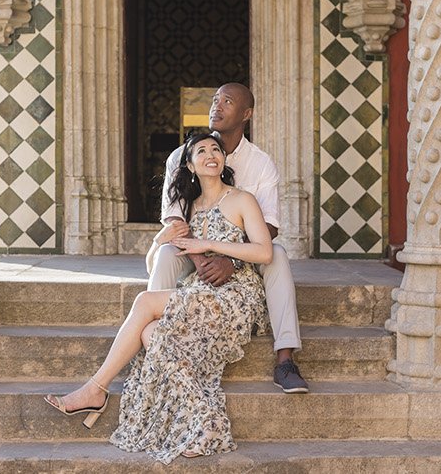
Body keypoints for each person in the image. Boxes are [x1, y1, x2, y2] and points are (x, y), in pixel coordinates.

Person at [47, 132, 272, 461]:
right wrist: (159, 240)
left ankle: (95, 388)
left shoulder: (242, 199)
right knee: (151, 333)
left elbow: (264, 252)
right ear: (191, 165)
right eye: (201, 151)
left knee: (144, 303)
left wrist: (208, 245)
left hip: (236, 295)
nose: (211, 154)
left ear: (224, 160)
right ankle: (207, 422)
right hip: (200, 295)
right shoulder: (189, 209)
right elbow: (154, 264)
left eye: (216, 150)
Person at [146, 82, 309, 394]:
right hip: (194, 250)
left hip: (243, 253)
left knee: (278, 255)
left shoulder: (261, 163)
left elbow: (270, 226)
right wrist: (200, 259)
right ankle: (154, 346)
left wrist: (230, 259)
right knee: (167, 253)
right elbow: (175, 218)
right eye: (214, 100)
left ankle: (285, 358)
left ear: (246, 114)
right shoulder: (182, 156)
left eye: (227, 101)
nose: (216, 107)